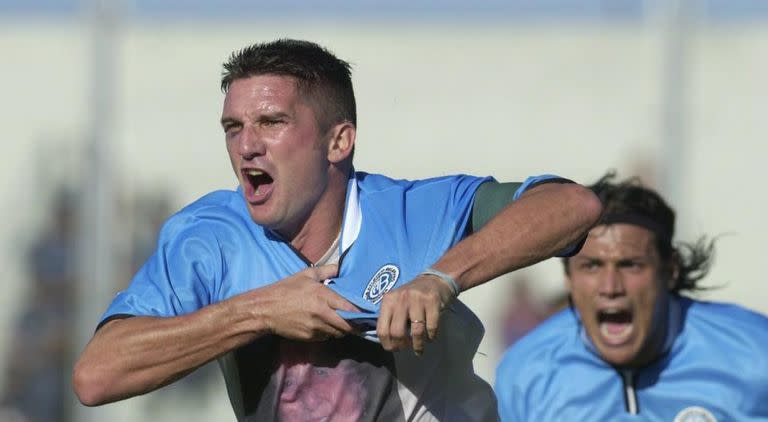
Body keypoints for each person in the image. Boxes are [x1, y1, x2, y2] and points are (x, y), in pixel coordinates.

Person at [72, 39, 601, 421]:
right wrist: (258, 311)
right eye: (233, 127)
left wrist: (441, 279)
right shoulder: (208, 237)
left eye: (272, 122)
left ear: (338, 141)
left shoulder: (410, 213)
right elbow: (96, 377)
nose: (246, 145)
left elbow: (571, 204)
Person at [495, 172, 768, 421]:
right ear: (568, 278)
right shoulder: (526, 371)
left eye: (631, 265)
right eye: (592, 266)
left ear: (670, 270)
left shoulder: (754, 352)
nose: (611, 287)